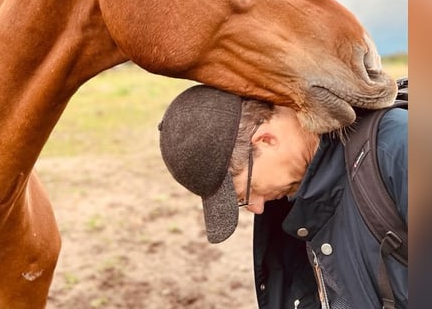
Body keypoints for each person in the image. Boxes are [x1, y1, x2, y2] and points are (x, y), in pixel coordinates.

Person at [158, 85, 408, 309]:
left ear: (266, 141)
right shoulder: (294, 199)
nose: (256, 208)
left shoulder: (399, 149)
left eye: (247, 192)